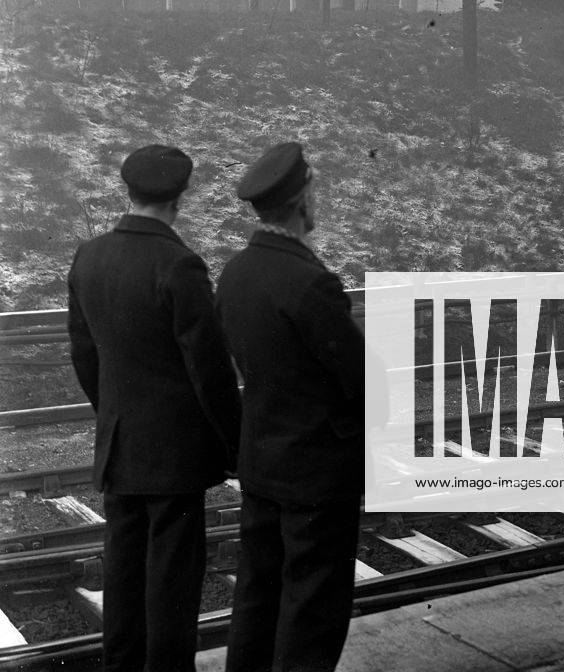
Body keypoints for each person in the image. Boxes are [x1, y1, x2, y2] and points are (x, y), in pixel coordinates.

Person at [67, 144, 242, 672]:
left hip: (121, 444)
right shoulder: (179, 264)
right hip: (174, 455)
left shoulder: (88, 255)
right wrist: (233, 445)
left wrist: (113, 412)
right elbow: (209, 370)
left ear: (129, 189)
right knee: (172, 579)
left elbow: (83, 351)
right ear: (180, 196)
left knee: (123, 569)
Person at [217, 142, 365, 672]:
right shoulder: (310, 282)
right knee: (312, 610)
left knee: (257, 600)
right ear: (303, 199)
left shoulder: (235, 273)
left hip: (263, 465)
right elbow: (361, 379)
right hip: (317, 475)